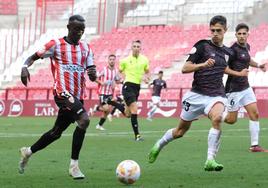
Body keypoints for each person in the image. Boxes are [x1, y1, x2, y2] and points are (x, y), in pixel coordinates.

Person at [148, 15, 248, 171]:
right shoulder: (202, 46)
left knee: (217, 118)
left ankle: (210, 160)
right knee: (180, 131)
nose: (215, 33)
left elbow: (223, 67)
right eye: (212, 30)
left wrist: (238, 74)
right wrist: (203, 65)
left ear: (225, 30)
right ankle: (159, 144)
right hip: (196, 95)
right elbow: (185, 68)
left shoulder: (228, 52)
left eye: (218, 30)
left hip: (216, 95)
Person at [19, 15, 97, 179]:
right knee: (84, 120)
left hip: (77, 96)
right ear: (69, 28)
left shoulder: (86, 48)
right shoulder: (55, 45)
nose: (79, 33)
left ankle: (28, 151)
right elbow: (33, 57)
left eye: (82, 30)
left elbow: (91, 73)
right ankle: (74, 166)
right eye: (76, 29)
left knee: (56, 133)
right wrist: (25, 66)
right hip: (62, 93)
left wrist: (93, 74)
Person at [223, 23, 268, 152]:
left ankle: (254, 145)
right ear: (236, 35)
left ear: (248, 34)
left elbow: (247, 60)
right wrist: (238, 74)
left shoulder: (247, 46)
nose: (242, 36)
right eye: (239, 34)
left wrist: (258, 65)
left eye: (244, 33)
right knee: (231, 120)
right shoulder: (231, 51)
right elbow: (223, 68)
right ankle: (215, 114)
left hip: (245, 87)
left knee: (255, 113)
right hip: (233, 90)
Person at [119, 40, 150, 141]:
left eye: (138, 46)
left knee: (128, 114)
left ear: (140, 48)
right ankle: (137, 136)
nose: (136, 48)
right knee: (135, 109)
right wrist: (122, 79)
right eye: (134, 46)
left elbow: (147, 71)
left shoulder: (144, 60)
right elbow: (119, 71)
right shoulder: (125, 60)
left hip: (137, 87)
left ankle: (115, 103)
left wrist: (146, 78)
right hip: (128, 86)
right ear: (131, 48)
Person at [94, 54, 120, 131]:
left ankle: (99, 125)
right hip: (103, 93)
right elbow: (95, 78)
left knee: (106, 112)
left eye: (113, 59)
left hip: (110, 93)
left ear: (115, 61)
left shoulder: (115, 71)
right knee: (106, 109)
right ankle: (97, 108)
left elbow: (117, 80)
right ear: (108, 60)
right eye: (110, 59)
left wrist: (118, 82)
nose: (112, 61)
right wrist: (101, 82)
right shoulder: (104, 70)